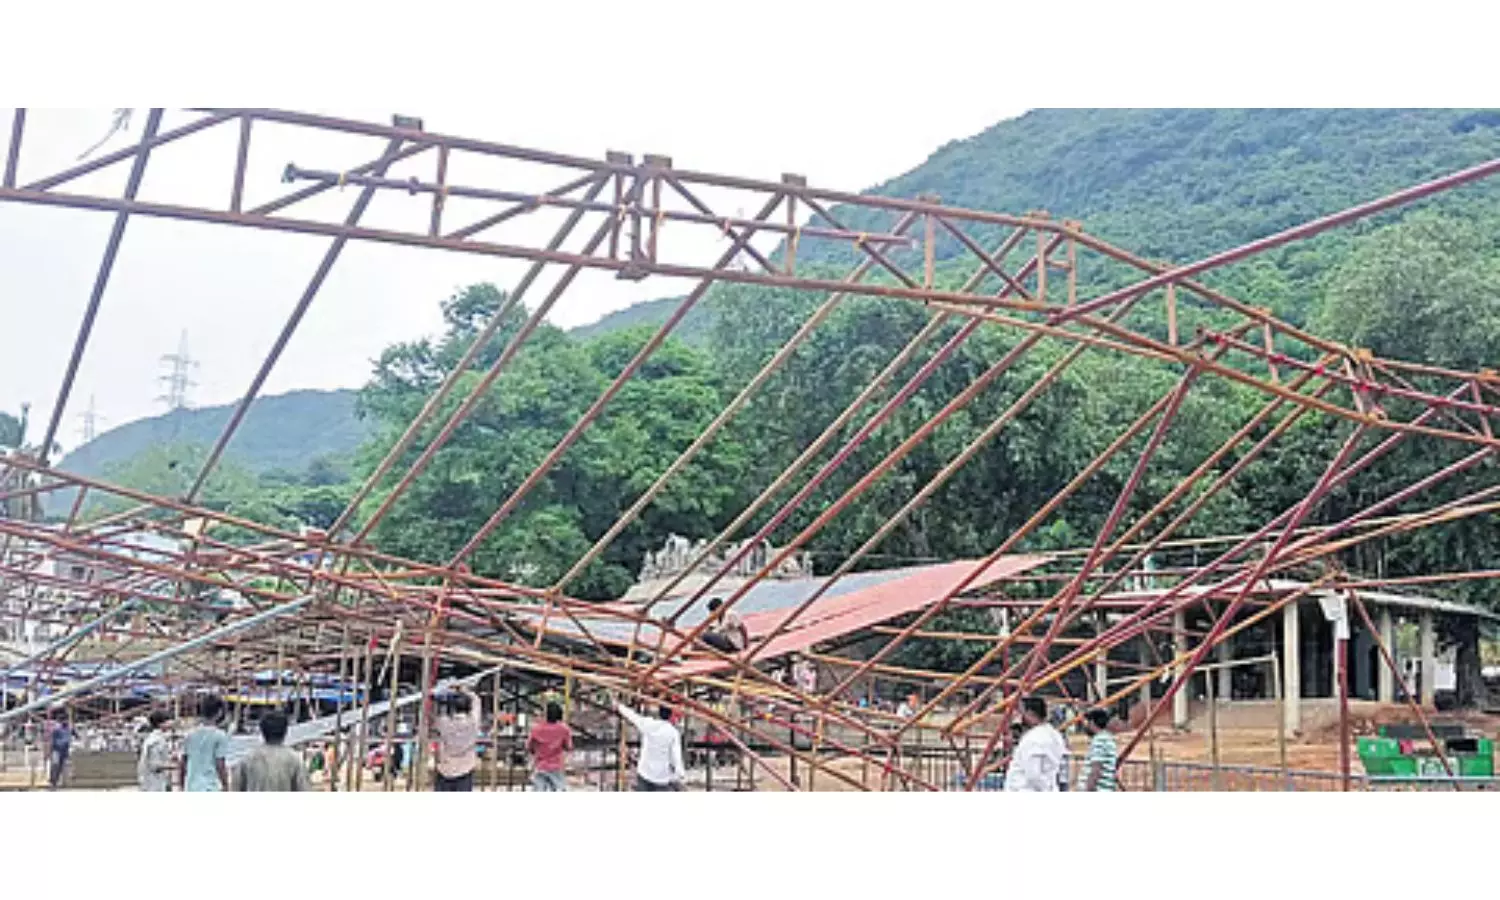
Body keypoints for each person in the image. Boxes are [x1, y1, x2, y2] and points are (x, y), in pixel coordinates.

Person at [614, 694, 684, 792]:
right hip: (661, 778)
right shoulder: (673, 733)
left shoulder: (648, 724)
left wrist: (619, 706)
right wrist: (679, 775)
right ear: (671, 715)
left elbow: (633, 716)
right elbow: (676, 756)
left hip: (644, 774)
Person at [232, 712, 311, 792]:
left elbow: (236, 788)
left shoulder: (248, 759)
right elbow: (304, 789)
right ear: (285, 732)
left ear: (262, 731)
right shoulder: (294, 760)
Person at [1003, 696, 1065, 793]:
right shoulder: (1054, 734)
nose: (1018, 717)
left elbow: (1033, 775)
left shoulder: (1034, 738)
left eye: (1021, 712)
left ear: (1030, 714)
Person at [433, 685, 480, 792]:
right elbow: (477, 701)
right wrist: (463, 689)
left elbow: (437, 713)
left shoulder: (444, 723)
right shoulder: (473, 723)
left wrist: (444, 693)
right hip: (465, 770)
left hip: (445, 770)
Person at [179, 695, 231, 792]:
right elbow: (220, 764)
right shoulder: (219, 736)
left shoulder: (189, 734)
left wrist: (181, 785)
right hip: (210, 786)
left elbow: (183, 762)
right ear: (219, 713)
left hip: (191, 785)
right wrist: (226, 785)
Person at [526, 701, 573, 792]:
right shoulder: (564, 729)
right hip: (556, 767)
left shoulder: (536, 729)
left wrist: (535, 752)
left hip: (540, 766)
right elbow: (568, 747)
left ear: (546, 715)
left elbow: (529, 747)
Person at [1076, 708, 1119, 792]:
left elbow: (1096, 768)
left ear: (1092, 722)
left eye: (1087, 722)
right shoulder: (1108, 738)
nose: (1086, 725)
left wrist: (1089, 788)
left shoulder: (1099, 740)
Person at [137, 710, 174, 792]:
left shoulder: (153, 738)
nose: (171, 723)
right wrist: (175, 766)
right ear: (160, 724)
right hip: (154, 783)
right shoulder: (157, 741)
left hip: (151, 782)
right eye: (168, 720)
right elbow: (155, 765)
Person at [46, 710, 72, 790]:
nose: (66, 721)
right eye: (65, 720)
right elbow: (52, 740)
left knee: (60, 767)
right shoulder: (57, 729)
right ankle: (52, 782)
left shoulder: (68, 728)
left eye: (67, 720)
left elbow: (70, 737)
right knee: (55, 765)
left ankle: (55, 782)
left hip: (64, 750)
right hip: (56, 750)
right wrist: (49, 751)